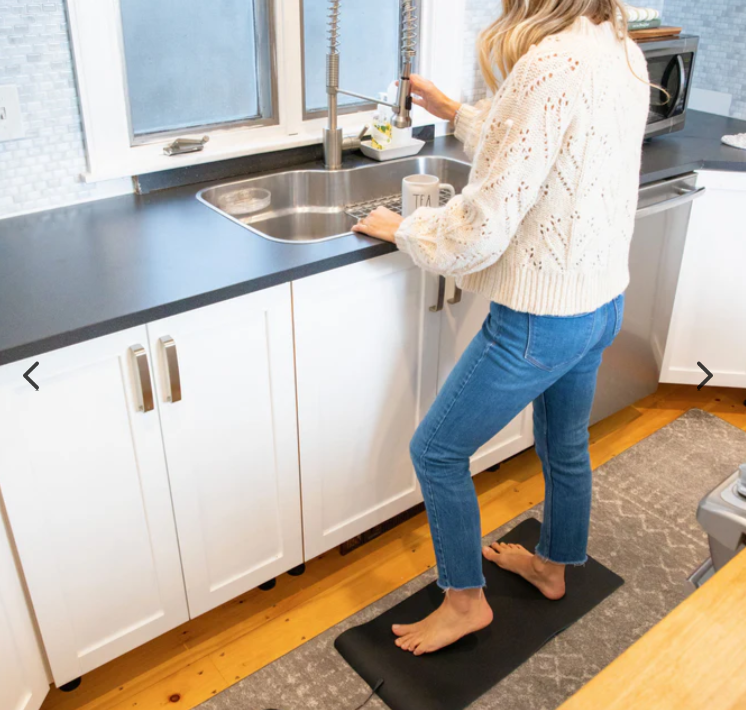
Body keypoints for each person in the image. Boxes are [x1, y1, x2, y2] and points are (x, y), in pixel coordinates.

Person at [352, 0, 650, 656]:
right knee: (564, 444)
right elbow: (542, 147)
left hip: (539, 321)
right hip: (600, 303)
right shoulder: (619, 48)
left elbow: (478, 229)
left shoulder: (549, 62)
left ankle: (464, 603)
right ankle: (553, 566)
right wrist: (455, 113)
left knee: (435, 451)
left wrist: (404, 227)